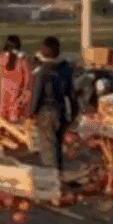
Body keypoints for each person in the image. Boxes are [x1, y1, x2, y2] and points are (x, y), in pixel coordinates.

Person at [30, 36, 77, 171]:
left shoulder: (42, 72)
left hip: (45, 112)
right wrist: (72, 115)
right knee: (57, 145)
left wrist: (32, 112)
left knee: (46, 147)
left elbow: (38, 94)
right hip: (61, 111)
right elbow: (71, 94)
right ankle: (59, 171)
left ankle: (51, 175)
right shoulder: (66, 69)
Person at [0, 35, 34, 123]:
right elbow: (28, 77)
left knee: (4, 111)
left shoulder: (2, 57)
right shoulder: (22, 60)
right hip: (17, 89)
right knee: (15, 115)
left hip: (4, 89)